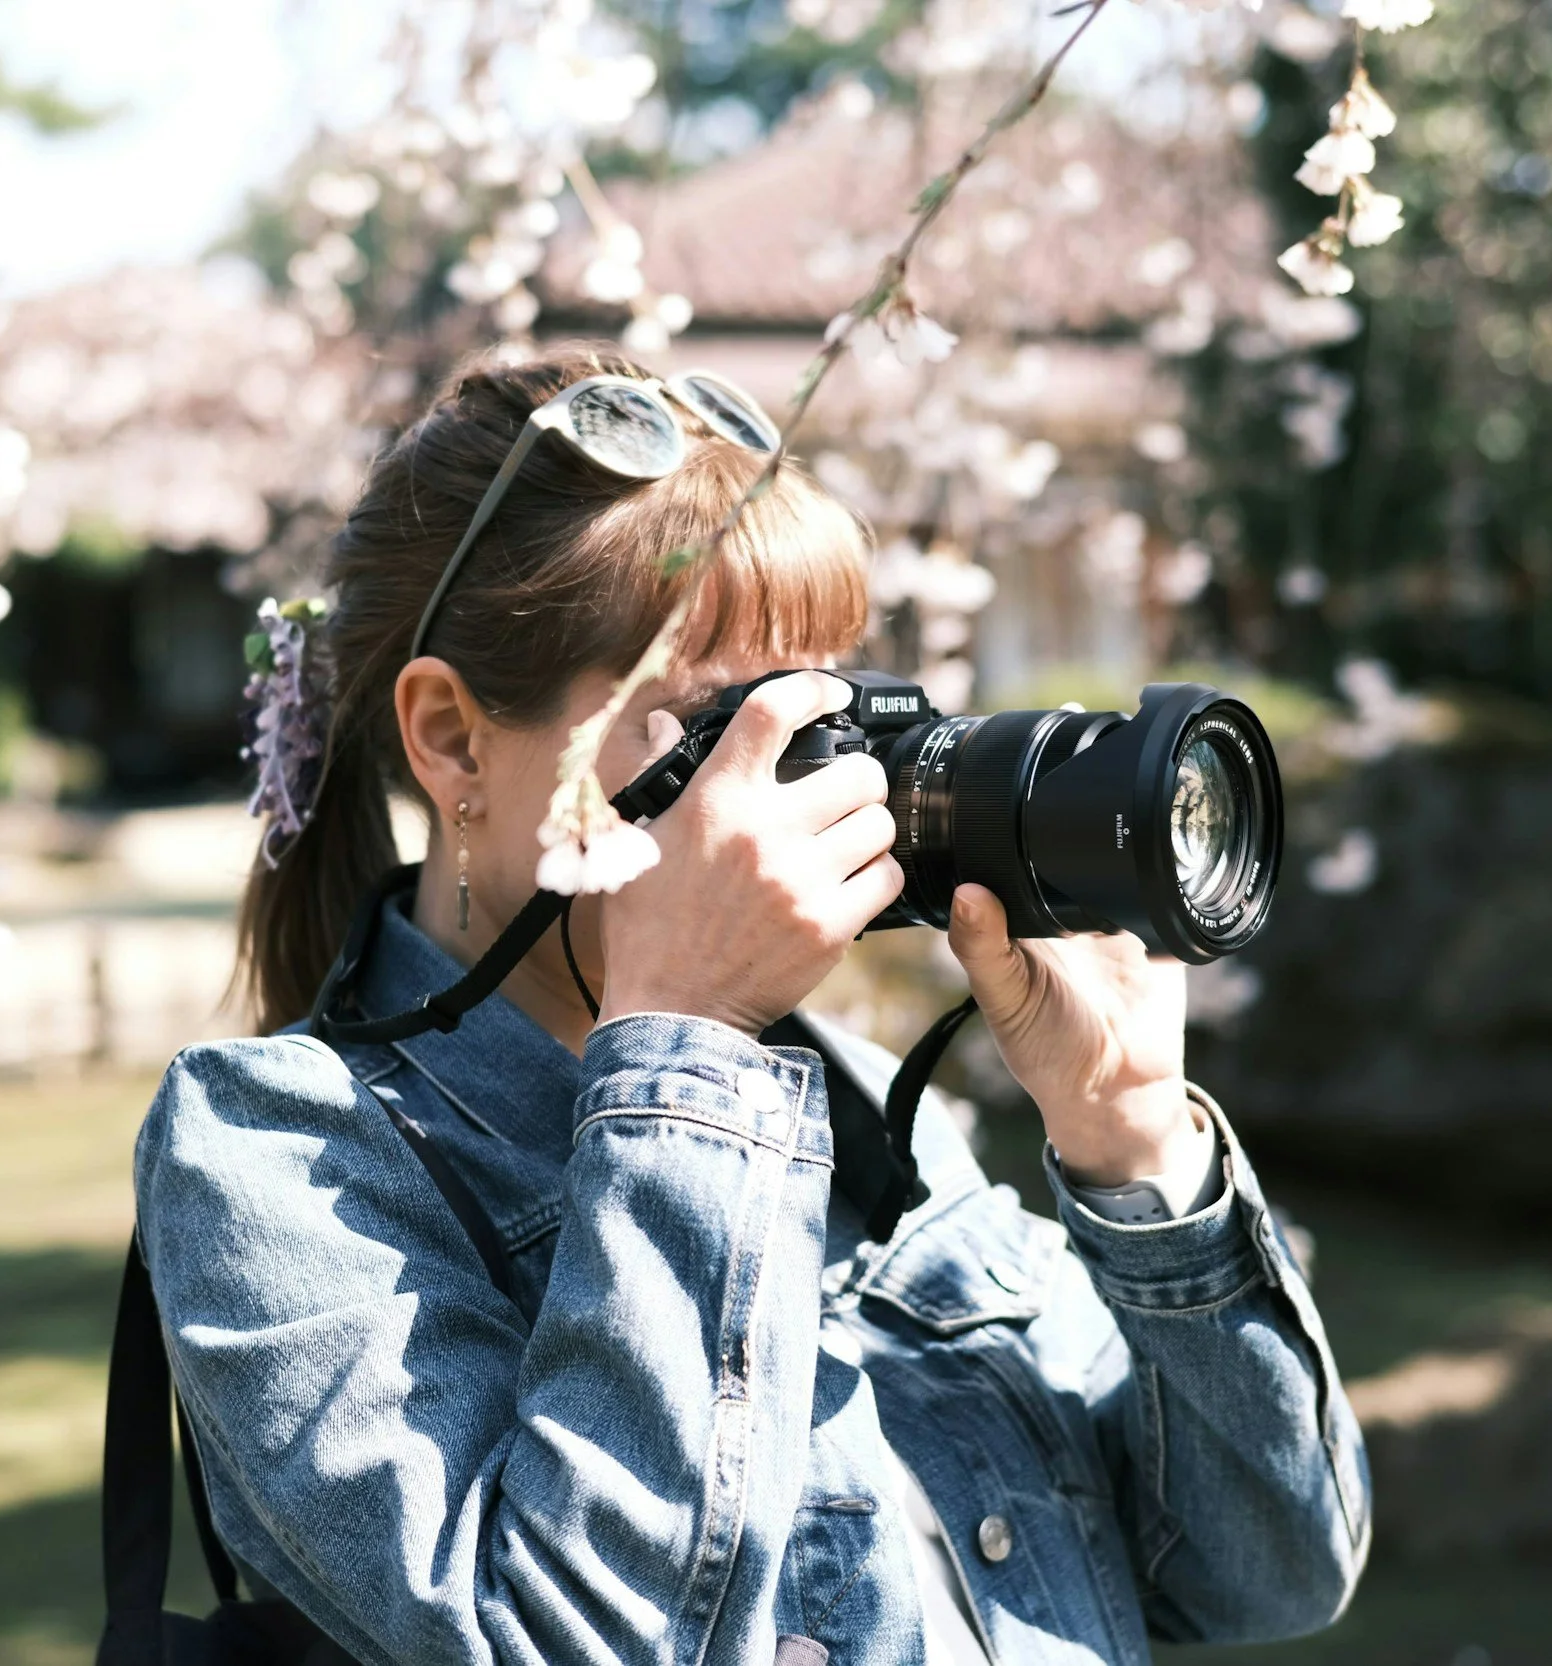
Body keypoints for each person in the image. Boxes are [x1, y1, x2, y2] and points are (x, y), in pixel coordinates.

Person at [134, 344, 1369, 1665]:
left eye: (821, 705)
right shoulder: (276, 1155)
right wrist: (688, 1054)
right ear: (452, 740)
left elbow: (1265, 1574)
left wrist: (1135, 1154)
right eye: (716, 720)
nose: (796, 785)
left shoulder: (849, 1106)